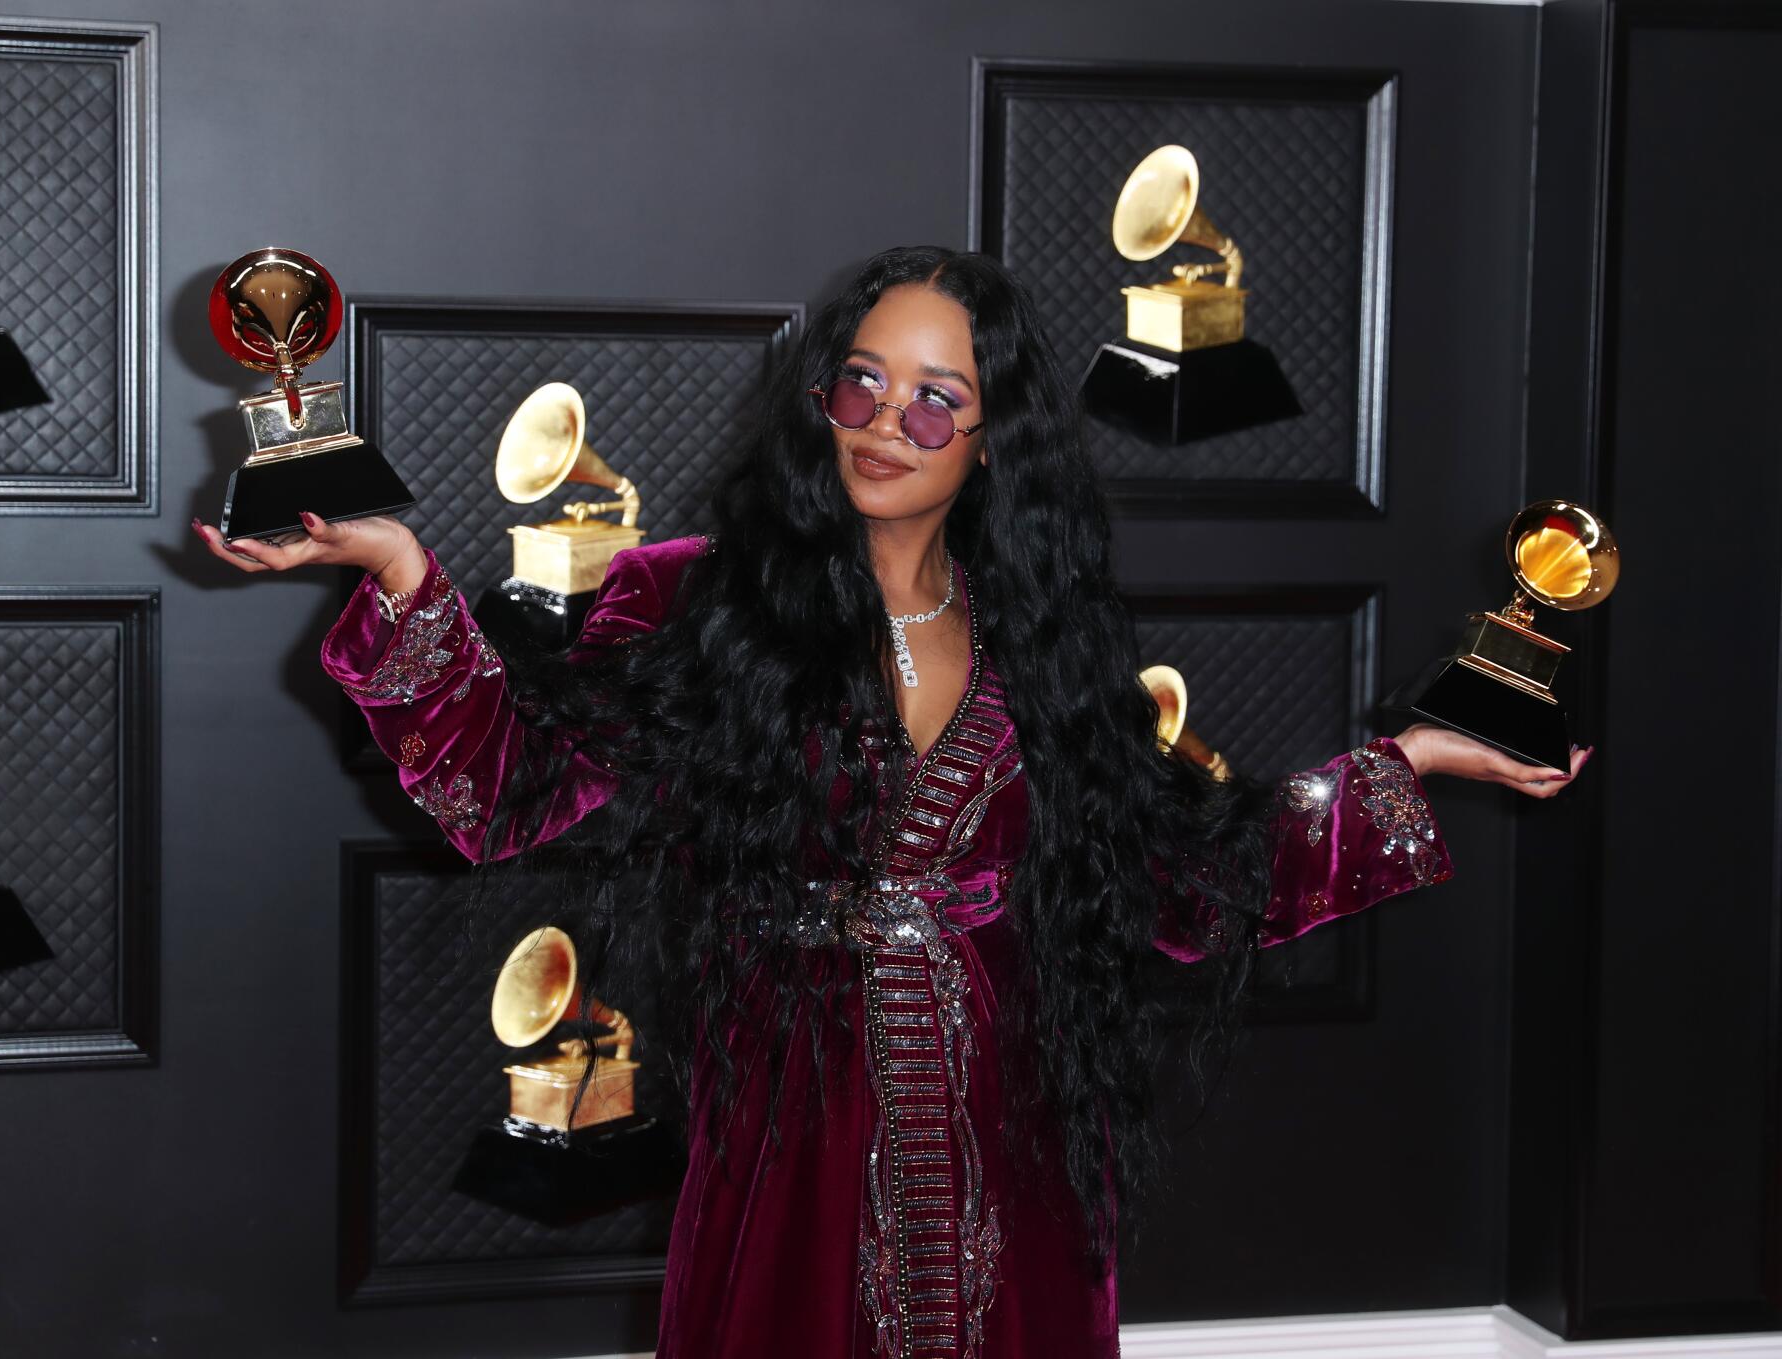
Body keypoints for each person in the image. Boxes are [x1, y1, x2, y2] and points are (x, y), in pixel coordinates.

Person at [196, 246, 1589, 1358]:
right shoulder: (697, 594)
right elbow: (510, 786)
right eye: (861, 382)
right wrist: (394, 572)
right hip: (790, 1130)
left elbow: (1180, 880)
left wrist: (1421, 765)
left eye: (937, 397)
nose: (887, 422)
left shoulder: (1043, 631)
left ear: (996, 438)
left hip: (1018, 1133)